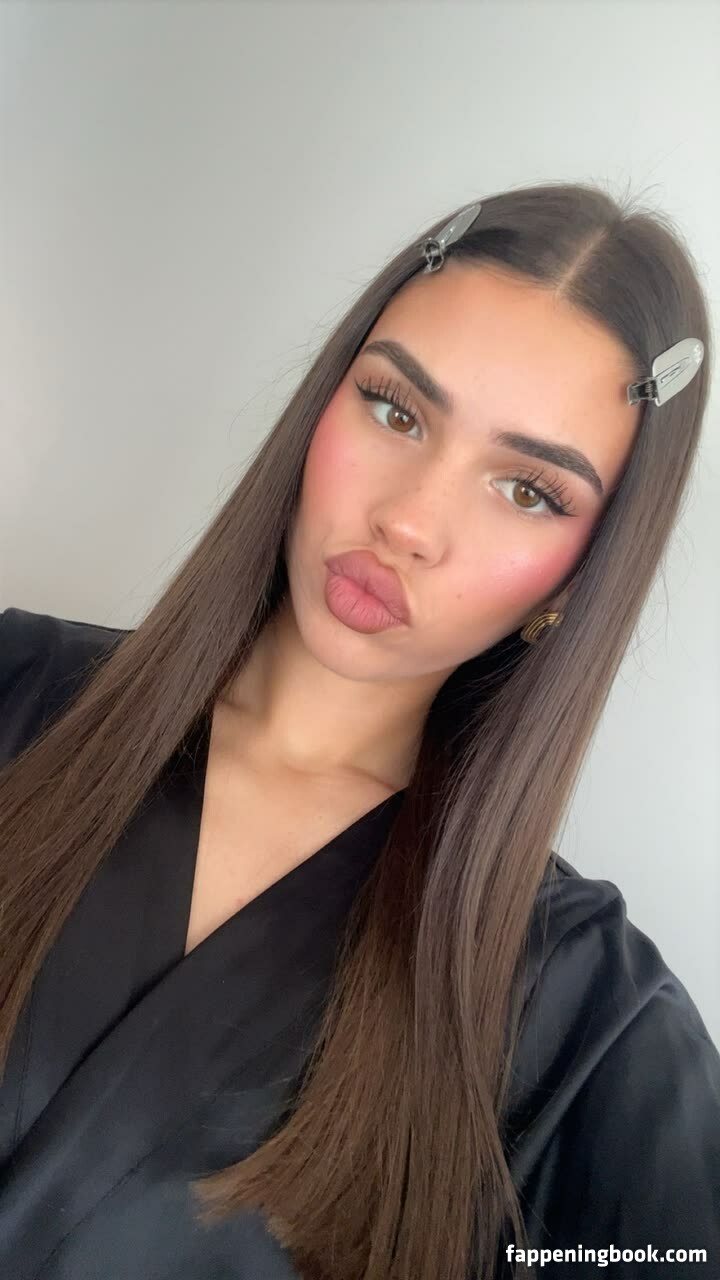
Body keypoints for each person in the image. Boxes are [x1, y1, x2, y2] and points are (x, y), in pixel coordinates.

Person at [0, 181, 718, 1280]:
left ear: (583, 574)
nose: (410, 520)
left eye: (528, 490)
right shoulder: (17, 689)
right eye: (396, 409)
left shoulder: (584, 1013)